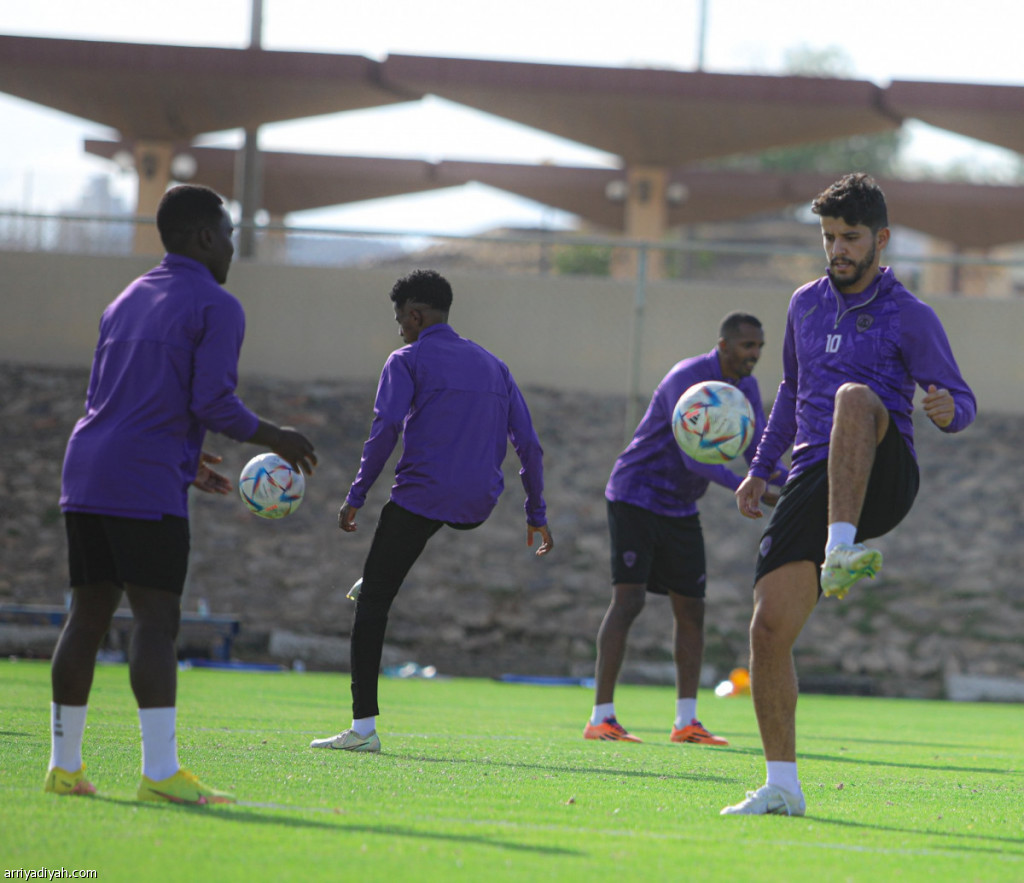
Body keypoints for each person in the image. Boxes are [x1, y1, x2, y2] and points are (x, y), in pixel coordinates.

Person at [46, 184, 317, 804]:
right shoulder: (216, 305)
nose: (232, 247)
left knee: (86, 615)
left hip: (87, 469)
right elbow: (212, 402)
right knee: (156, 619)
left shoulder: (124, 300)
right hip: (142, 479)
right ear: (204, 237)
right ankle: (160, 774)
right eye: (228, 235)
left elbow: (117, 397)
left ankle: (64, 768)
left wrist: (185, 458)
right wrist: (277, 435)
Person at [722, 173, 976, 816]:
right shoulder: (803, 305)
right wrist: (760, 468)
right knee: (768, 628)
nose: (837, 249)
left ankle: (841, 551)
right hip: (813, 475)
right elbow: (790, 391)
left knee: (853, 397)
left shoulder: (910, 314)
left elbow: (961, 400)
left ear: (880, 240)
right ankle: (782, 786)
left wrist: (948, 411)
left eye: (850, 237)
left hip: (885, 474)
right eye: (829, 237)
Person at [311, 269, 553, 754]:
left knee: (373, 604)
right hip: (479, 502)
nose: (400, 328)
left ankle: (363, 730)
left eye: (401, 318)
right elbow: (528, 444)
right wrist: (536, 511)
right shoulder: (495, 366)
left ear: (416, 315)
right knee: (421, 522)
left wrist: (356, 495)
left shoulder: (406, 360)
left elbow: (385, 429)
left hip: (422, 497)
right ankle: (379, 570)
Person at [585, 312, 786, 746]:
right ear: (724, 345)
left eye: (759, 347)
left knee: (692, 609)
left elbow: (758, 453)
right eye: (747, 345)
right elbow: (693, 457)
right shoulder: (688, 379)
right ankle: (601, 718)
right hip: (635, 496)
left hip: (679, 507)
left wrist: (798, 481)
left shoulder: (747, 389)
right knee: (629, 601)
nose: (754, 354)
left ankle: (686, 722)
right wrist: (748, 488)